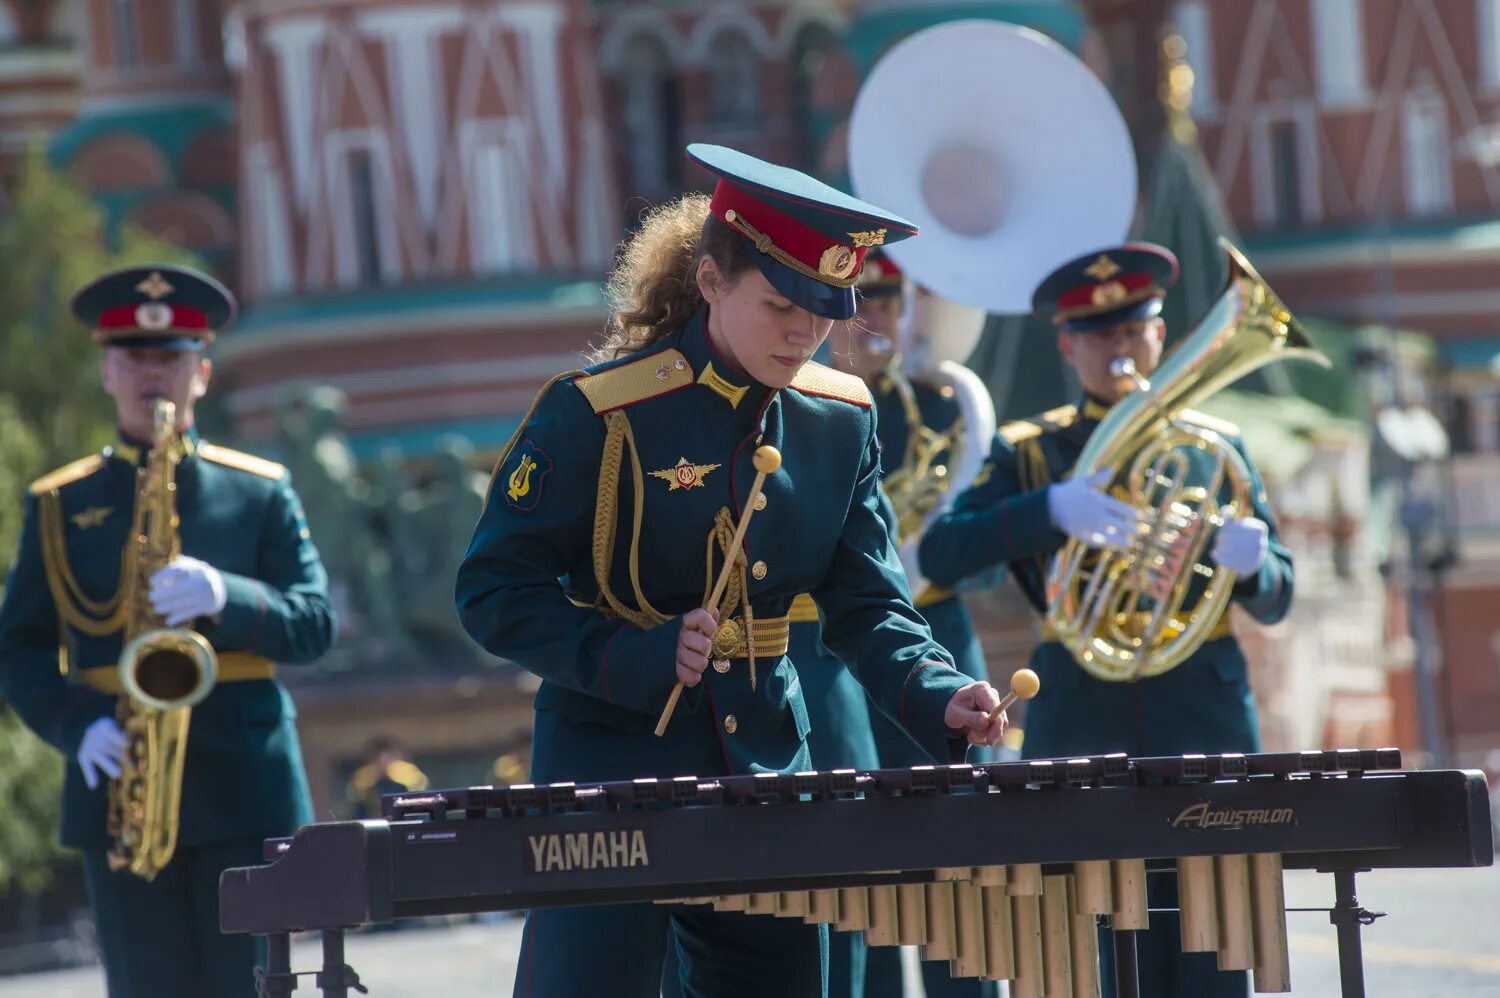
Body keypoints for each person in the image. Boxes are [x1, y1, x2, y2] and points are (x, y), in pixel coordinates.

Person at [455, 143, 1008, 998]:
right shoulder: (597, 413)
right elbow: (493, 593)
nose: (805, 333)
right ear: (710, 281)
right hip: (609, 776)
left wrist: (937, 690)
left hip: (764, 771)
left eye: (824, 313)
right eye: (780, 304)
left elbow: (867, 603)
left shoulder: (838, 420)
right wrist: (631, 656)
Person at [919, 243, 1294, 998]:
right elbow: (942, 551)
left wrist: (1254, 565)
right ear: (1066, 344)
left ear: (1159, 334)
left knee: (1213, 964)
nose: (1119, 350)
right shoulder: (1032, 454)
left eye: (1134, 331)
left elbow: (1278, 597)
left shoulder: (1214, 448)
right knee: (1096, 960)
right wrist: (1048, 510)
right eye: (1099, 336)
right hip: (1082, 723)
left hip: (1203, 725)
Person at [0, 265, 336, 997]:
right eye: (134, 357)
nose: (152, 373)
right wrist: (74, 724)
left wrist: (228, 595)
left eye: (171, 358)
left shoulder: (259, 489)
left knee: (251, 986)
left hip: (244, 787)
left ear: (203, 374)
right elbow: (17, 645)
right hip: (118, 780)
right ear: (106, 371)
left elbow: (315, 625)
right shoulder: (59, 503)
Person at [345, 735, 429, 819]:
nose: (383, 763)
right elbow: (359, 816)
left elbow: (422, 814)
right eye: (377, 759)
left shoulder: (412, 782)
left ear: (399, 758)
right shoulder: (363, 786)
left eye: (389, 758)